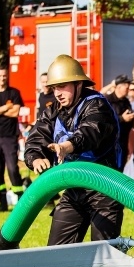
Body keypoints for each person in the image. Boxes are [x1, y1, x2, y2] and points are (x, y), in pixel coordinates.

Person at [24, 54, 124, 245]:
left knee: (104, 254)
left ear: (79, 84)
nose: (57, 93)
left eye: (62, 86)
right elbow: (36, 137)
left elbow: (91, 132)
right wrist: (35, 157)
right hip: (74, 189)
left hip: (104, 190)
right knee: (55, 253)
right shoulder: (53, 110)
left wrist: (66, 147)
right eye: (54, 88)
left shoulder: (97, 105)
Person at [0, 66, 26, 210]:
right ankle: (2, 202)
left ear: (7, 76)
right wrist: (6, 108)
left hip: (9, 137)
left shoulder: (14, 93)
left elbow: (15, 113)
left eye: (4, 75)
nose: (2, 78)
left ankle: (20, 200)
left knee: (13, 168)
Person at [105, 74, 134, 172]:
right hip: (110, 143)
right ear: (118, 86)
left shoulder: (126, 101)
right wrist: (121, 118)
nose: (128, 89)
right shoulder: (107, 100)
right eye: (126, 86)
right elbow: (104, 120)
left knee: (120, 170)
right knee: (110, 170)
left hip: (123, 141)